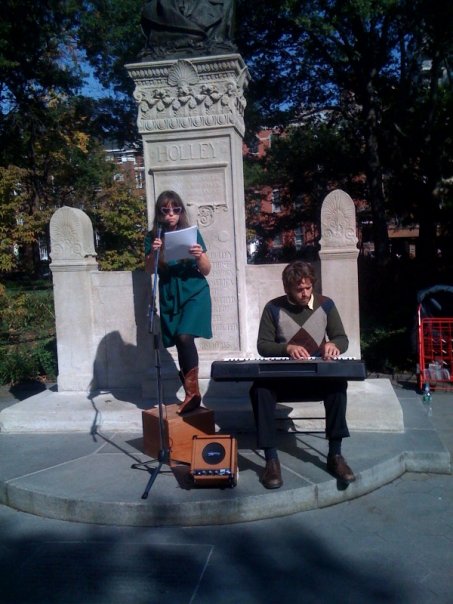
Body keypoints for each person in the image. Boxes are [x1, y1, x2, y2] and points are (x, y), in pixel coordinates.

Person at [249, 260, 356, 489]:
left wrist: (334, 345)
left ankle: (335, 454)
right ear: (287, 288)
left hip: (316, 377)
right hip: (284, 378)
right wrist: (287, 348)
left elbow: (342, 338)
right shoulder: (273, 308)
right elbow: (263, 345)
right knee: (259, 389)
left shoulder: (326, 304)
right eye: (299, 289)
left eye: (308, 287)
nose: (305, 293)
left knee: (338, 385)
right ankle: (271, 459)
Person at [145, 190, 212, 414]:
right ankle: (190, 395)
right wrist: (154, 253)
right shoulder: (153, 236)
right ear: (160, 213)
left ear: (181, 211)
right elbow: (149, 270)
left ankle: (193, 394)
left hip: (194, 291)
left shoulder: (190, 233)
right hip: (170, 294)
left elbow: (206, 269)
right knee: (180, 341)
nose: (171, 214)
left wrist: (199, 255)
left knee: (185, 336)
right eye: (166, 210)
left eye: (176, 209)